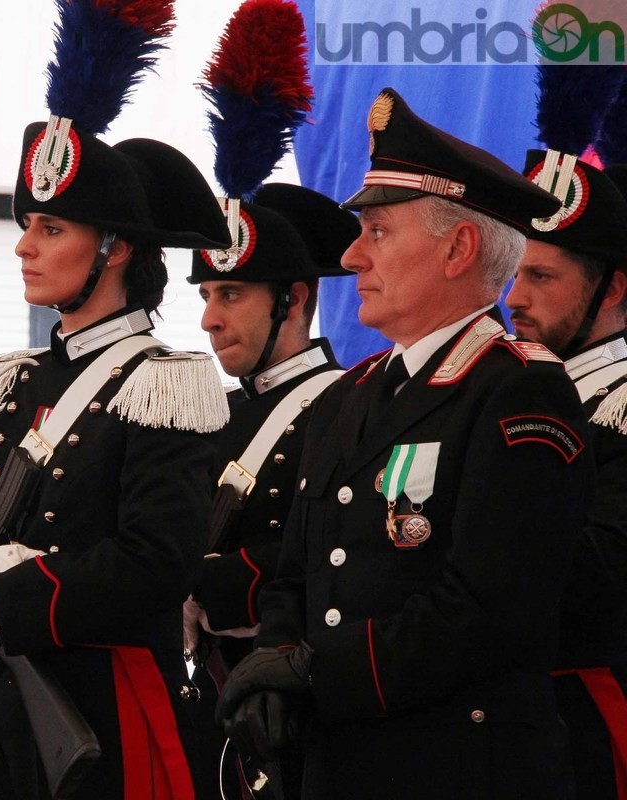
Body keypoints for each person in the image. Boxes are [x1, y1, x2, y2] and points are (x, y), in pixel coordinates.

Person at [217, 87, 594, 800]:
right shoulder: (345, 397)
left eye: (379, 231)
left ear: (458, 247)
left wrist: (314, 670)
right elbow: (297, 574)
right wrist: (272, 664)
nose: (354, 256)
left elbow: (491, 610)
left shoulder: (517, 392)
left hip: (459, 770)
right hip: (337, 764)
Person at [0, 3, 232, 798]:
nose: (24, 244)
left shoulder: (167, 381)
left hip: (102, 711)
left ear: (115, 248)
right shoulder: (9, 380)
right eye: (27, 225)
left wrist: (13, 594)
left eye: (50, 227)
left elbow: (158, 561)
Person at [184, 183, 356, 799]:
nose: (208, 318)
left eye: (231, 293)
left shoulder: (346, 404)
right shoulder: (207, 414)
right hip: (207, 701)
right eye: (206, 295)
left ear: (294, 298)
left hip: (294, 712)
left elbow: (332, 560)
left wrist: (196, 587)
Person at [505, 150, 627, 800]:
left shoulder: (620, 406)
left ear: (611, 288)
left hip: (588, 721)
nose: (514, 300)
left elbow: (597, 579)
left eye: (543, 278)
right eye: (517, 274)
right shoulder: (514, 390)